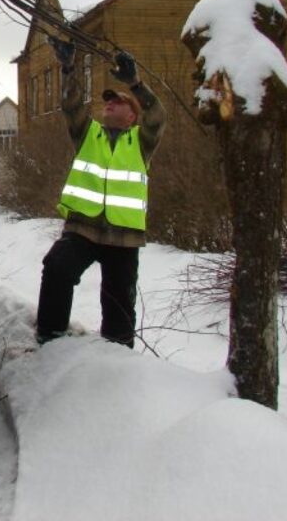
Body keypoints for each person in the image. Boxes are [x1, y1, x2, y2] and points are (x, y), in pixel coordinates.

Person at [35, 42, 167, 347]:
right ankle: (50, 336)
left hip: (124, 236)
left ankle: (118, 353)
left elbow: (158, 115)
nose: (110, 104)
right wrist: (68, 68)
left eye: (119, 102)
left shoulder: (141, 142)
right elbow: (70, 106)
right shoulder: (88, 133)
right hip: (83, 227)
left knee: (119, 300)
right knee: (57, 267)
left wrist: (134, 84)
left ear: (133, 116)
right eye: (107, 102)